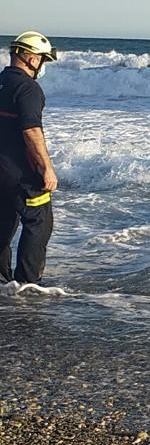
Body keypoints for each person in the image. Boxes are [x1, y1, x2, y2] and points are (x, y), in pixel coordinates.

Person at [0, 31, 59, 284]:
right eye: (43, 59)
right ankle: (28, 286)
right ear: (31, 59)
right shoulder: (28, 88)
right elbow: (31, 130)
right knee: (39, 220)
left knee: (3, 223)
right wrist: (47, 169)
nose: (42, 65)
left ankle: (3, 282)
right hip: (20, 173)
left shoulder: (2, 81)